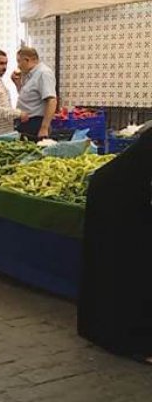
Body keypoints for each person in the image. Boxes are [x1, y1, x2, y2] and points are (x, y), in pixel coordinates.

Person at [79, 122, 152, 364]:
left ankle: (107, 331)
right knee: (129, 268)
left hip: (120, 191)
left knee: (117, 267)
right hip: (118, 197)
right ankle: (133, 343)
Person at [13, 47, 57, 140]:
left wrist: (44, 128)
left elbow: (52, 101)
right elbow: (29, 98)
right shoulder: (29, 75)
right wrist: (17, 84)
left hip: (36, 124)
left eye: (19, 61)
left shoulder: (43, 73)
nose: (18, 66)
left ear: (27, 60)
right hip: (25, 123)